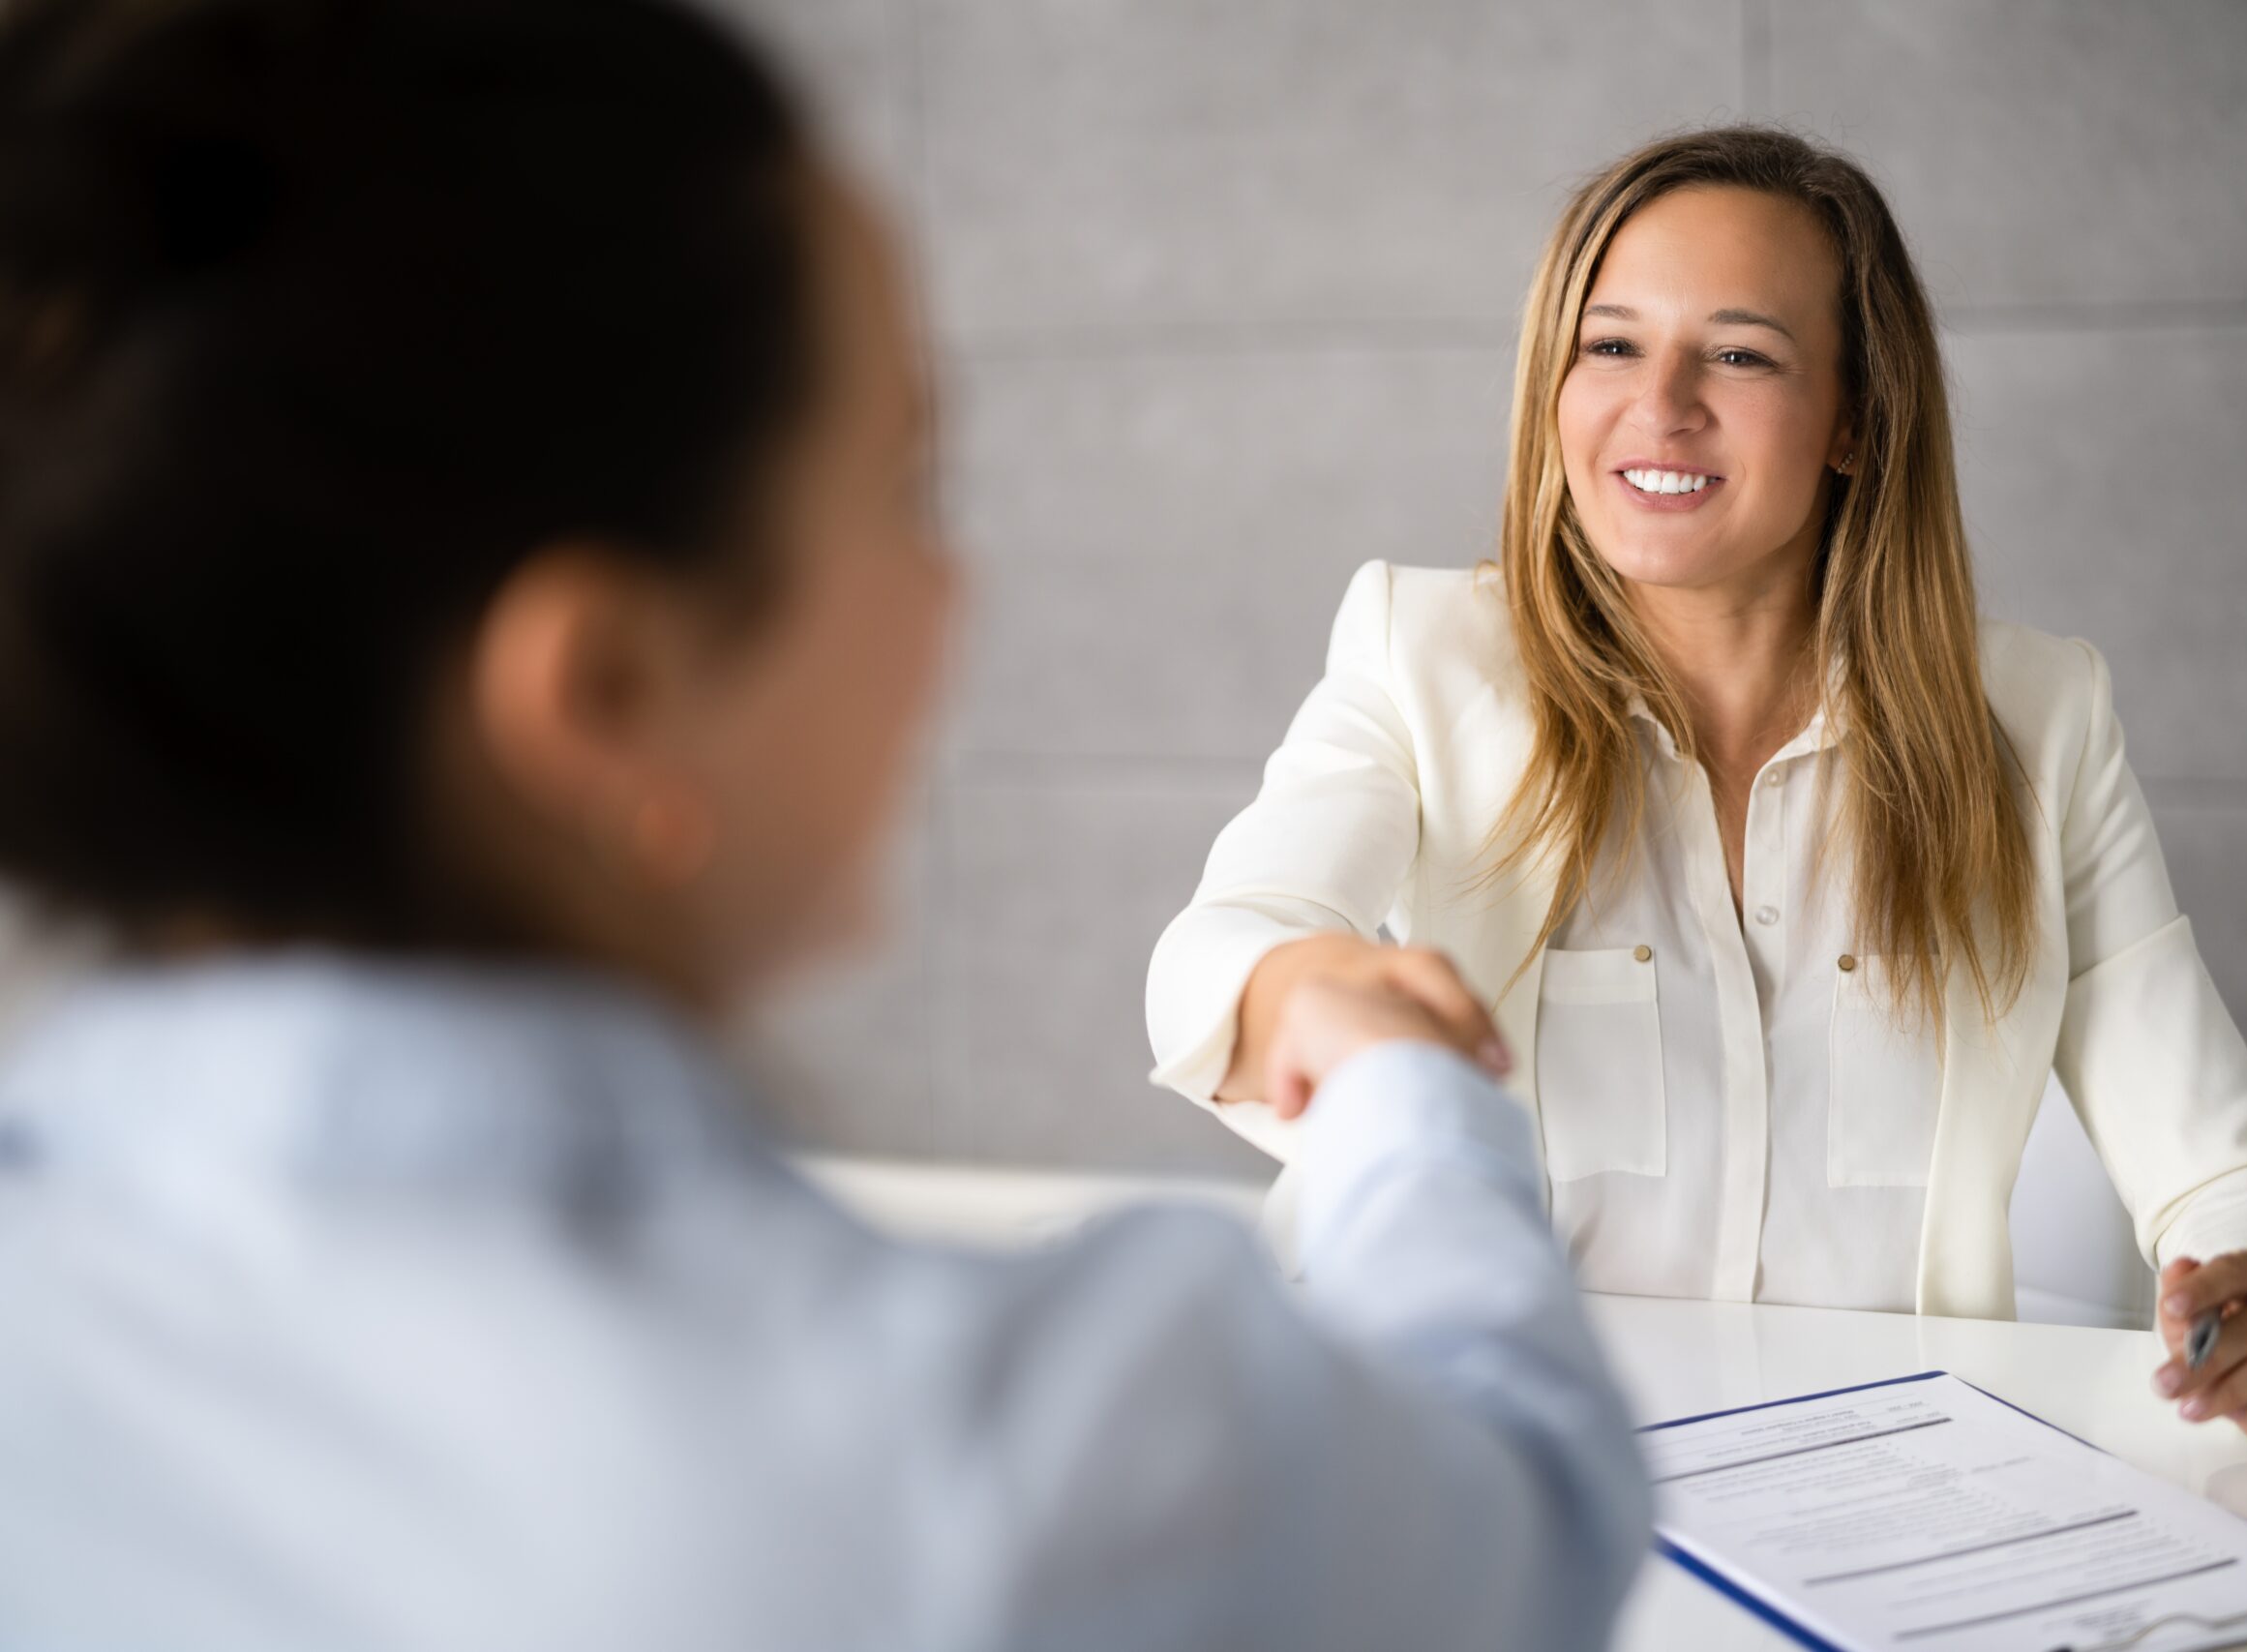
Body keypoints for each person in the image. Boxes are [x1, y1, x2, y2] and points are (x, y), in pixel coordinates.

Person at [0, 2, 1649, 1645]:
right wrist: (1405, 1102)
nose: (955, 587)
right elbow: (1530, 1507)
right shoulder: (1017, 1481)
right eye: (906, 487)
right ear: (611, 685)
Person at [1148, 125, 2247, 1453]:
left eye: (1739, 354)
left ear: (1858, 417)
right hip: (1485, 1458)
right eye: (1611, 344)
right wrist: (1302, 993)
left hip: (1889, 1485)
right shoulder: (1418, 653)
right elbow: (1217, 951)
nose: (1660, 403)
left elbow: (2220, 1158)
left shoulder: (2040, 722)